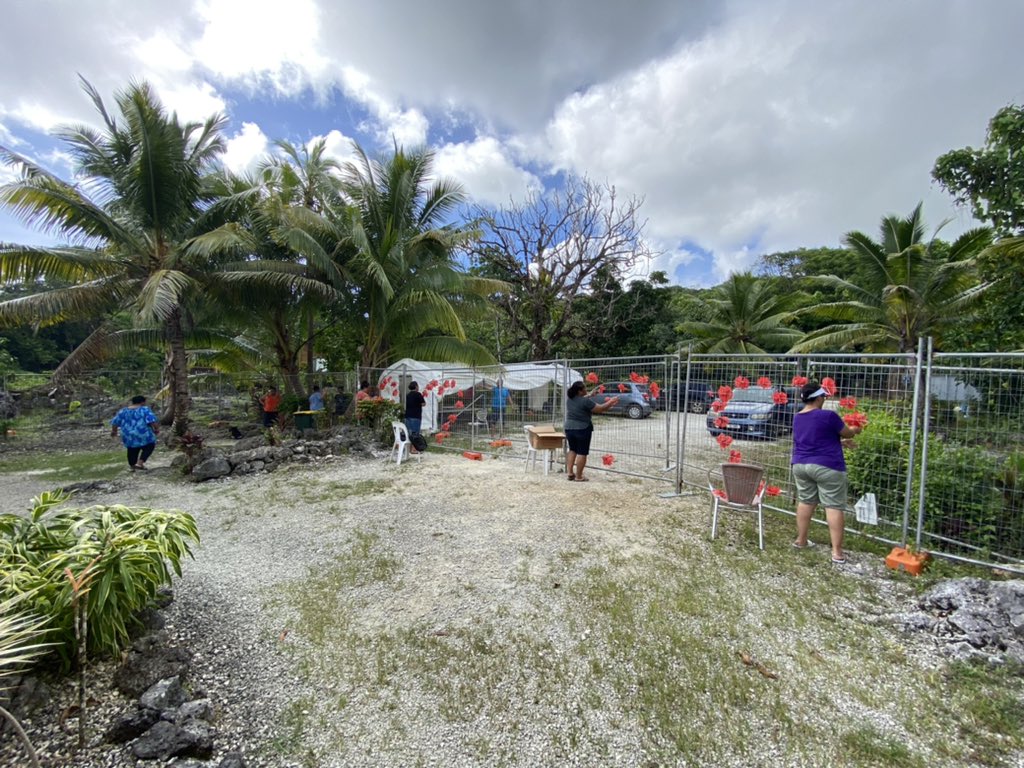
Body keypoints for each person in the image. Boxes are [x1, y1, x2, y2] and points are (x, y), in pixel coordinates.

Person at [791, 381, 864, 564]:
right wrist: (856, 429)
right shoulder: (829, 416)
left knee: (806, 501)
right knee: (833, 506)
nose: (825, 399)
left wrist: (838, 443)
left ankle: (801, 540)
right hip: (828, 466)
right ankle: (837, 553)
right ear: (818, 398)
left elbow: (813, 440)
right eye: (824, 396)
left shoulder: (797, 417)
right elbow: (847, 433)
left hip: (801, 465)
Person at [564, 381, 619, 482]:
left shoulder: (570, 399)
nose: (586, 390)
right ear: (580, 391)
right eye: (584, 389)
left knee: (572, 450)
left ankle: (570, 473)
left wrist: (590, 395)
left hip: (569, 428)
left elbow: (581, 400)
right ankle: (579, 476)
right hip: (582, 428)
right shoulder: (586, 402)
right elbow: (601, 409)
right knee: (582, 452)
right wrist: (611, 401)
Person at [110, 395, 159, 471]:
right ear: (142, 402)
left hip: (127, 434)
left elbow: (115, 422)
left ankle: (132, 466)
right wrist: (156, 429)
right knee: (150, 445)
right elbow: (151, 420)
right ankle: (140, 463)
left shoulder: (123, 411)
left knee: (132, 449)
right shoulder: (144, 409)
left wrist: (114, 431)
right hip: (143, 433)